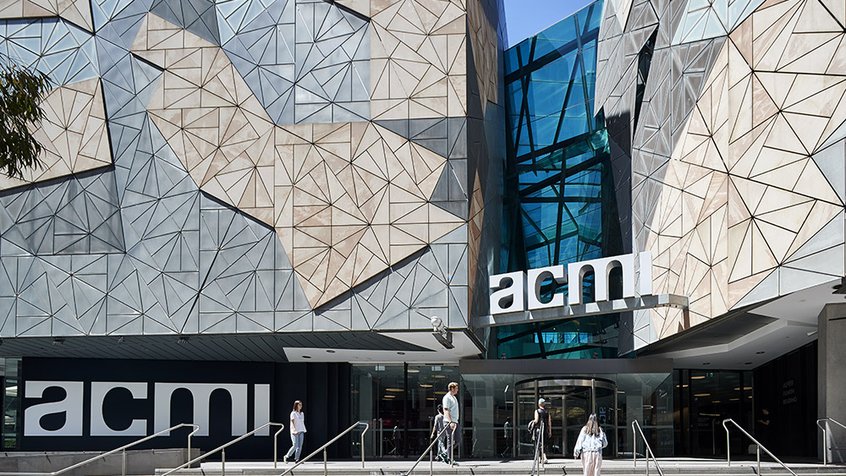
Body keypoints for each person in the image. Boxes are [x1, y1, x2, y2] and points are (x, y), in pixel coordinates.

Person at [442, 381, 461, 463]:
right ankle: (450, 459)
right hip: (449, 422)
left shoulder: (454, 397)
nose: (457, 390)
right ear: (452, 388)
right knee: (450, 440)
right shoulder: (447, 398)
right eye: (456, 388)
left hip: (455, 421)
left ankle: (445, 453)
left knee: (457, 440)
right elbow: (446, 410)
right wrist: (450, 422)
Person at [531, 398, 552, 464]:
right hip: (545, 430)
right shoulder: (547, 412)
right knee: (544, 444)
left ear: (538, 404)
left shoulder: (537, 411)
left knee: (539, 444)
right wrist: (550, 431)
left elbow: (536, 420)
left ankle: (543, 458)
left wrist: (532, 422)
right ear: (544, 404)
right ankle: (541, 458)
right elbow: (549, 423)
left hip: (538, 430)